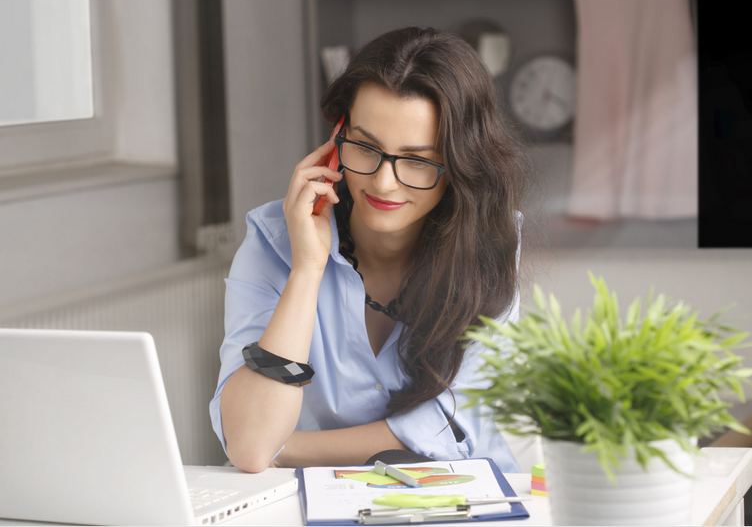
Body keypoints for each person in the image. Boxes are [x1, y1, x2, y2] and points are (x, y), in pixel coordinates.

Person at [210, 27, 529, 474]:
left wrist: (282, 447)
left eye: (417, 160)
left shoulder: (491, 243)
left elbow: (449, 431)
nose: (382, 183)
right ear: (336, 139)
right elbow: (248, 447)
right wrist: (307, 268)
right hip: (308, 508)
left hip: (462, 503)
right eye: (365, 147)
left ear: (460, 164)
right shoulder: (273, 239)